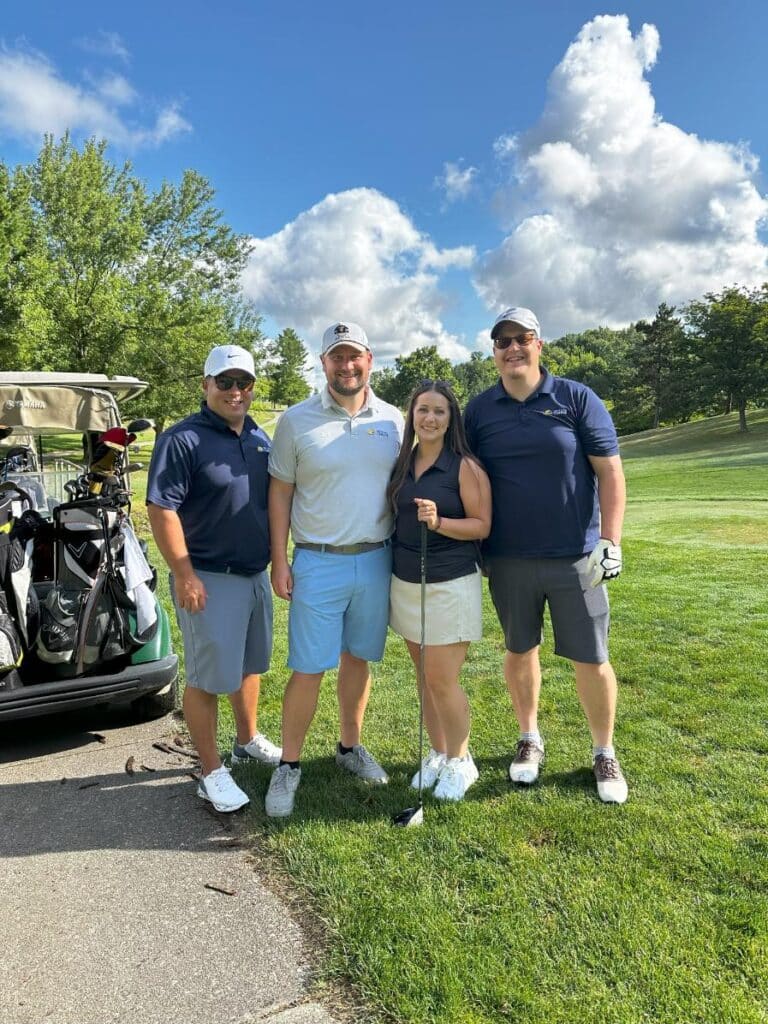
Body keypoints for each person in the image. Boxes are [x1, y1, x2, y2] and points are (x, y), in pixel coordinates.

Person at [464, 307, 628, 804]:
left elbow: (610, 473)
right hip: (508, 558)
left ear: (539, 345)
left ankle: (604, 750)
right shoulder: (479, 410)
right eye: (503, 341)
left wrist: (611, 540)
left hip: (576, 556)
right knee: (519, 650)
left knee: (592, 657)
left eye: (522, 338)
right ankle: (529, 738)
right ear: (493, 352)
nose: (512, 348)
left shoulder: (576, 398)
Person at [265, 321, 404, 818]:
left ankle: (348, 748)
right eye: (336, 357)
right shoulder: (295, 421)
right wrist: (279, 558)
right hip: (317, 562)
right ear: (323, 363)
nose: (347, 366)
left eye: (355, 356)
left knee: (358, 658)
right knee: (307, 668)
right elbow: (279, 491)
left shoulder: (394, 420)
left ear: (370, 360)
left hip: (376, 558)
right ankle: (289, 765)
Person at [147, 344, 281, 814]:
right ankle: (210, 772)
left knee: (248, 664)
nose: (235, 392)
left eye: (244, 383)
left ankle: (246, 740)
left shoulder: (260, 438)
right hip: (205, 575)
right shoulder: (183, 439)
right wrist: (184, 574)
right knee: (206, 677)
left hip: (253, 575)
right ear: (206, 385)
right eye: (225, 382)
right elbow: (161, 508)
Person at [388, 380, 491, 801]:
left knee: (442, 679)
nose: (429, 418)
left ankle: (461, 760)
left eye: (439, 411)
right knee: (424, 677)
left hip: (451, 583)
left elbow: (482, 525)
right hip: (407, 583)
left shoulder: (464, 466)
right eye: (422, 410)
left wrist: (440, 522)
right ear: (412, 415)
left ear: (451, 419)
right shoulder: (403, 462)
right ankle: (437, 751)